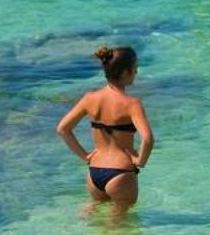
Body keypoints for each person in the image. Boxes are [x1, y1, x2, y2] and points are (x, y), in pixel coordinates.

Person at [56, 46, 154, 217]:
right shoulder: (132, 104)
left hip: (94, 171)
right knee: (119, 229)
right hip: (121, 173)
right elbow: (148, 139)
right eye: (134, 67)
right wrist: (140, 161)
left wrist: (85, 156)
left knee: (95, 223)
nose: (137, 71)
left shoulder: (89, 98)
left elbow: (63, 129)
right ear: (125, 72)